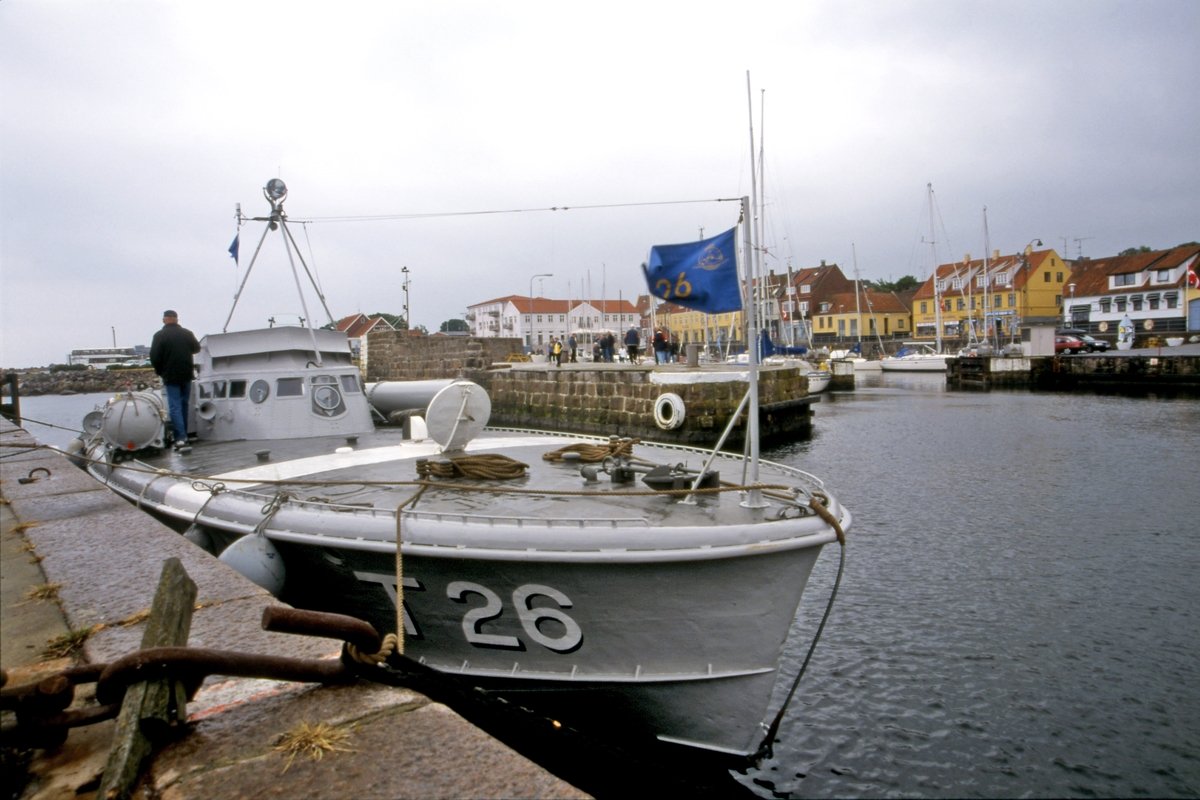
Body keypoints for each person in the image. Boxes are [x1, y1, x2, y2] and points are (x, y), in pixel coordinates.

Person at [150, 309, 200, 448]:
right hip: (186, 373)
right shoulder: (187, 334)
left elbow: (154, 356)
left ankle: (180, 437)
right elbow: (196, 348)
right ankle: (185, 435)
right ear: (177, 320)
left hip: (170, 375)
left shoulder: (159, 336)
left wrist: (161, 371)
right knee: (184, 404)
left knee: (175, 406)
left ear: (164, 320)